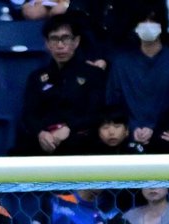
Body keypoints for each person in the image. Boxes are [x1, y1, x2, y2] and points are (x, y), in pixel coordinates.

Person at [17, 11, 107, 156]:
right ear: (47, 44)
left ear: (76, 41)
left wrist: (70, 128)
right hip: (44, 142)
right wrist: (41, 133)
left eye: (65, 38)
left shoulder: (93, 74)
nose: (60, 45)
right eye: (54, 39)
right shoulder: (36, 77)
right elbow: (28, 115)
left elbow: (97, 113)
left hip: (81, 142)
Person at [105, 0, 169, 149]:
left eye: (153, 19)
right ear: (134, 25)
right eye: (143, 20)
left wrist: (158, 129)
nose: (148, 24)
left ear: (162, 23)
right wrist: (132, 128)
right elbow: (113, 104)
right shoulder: (121, 64)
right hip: (127, 141)